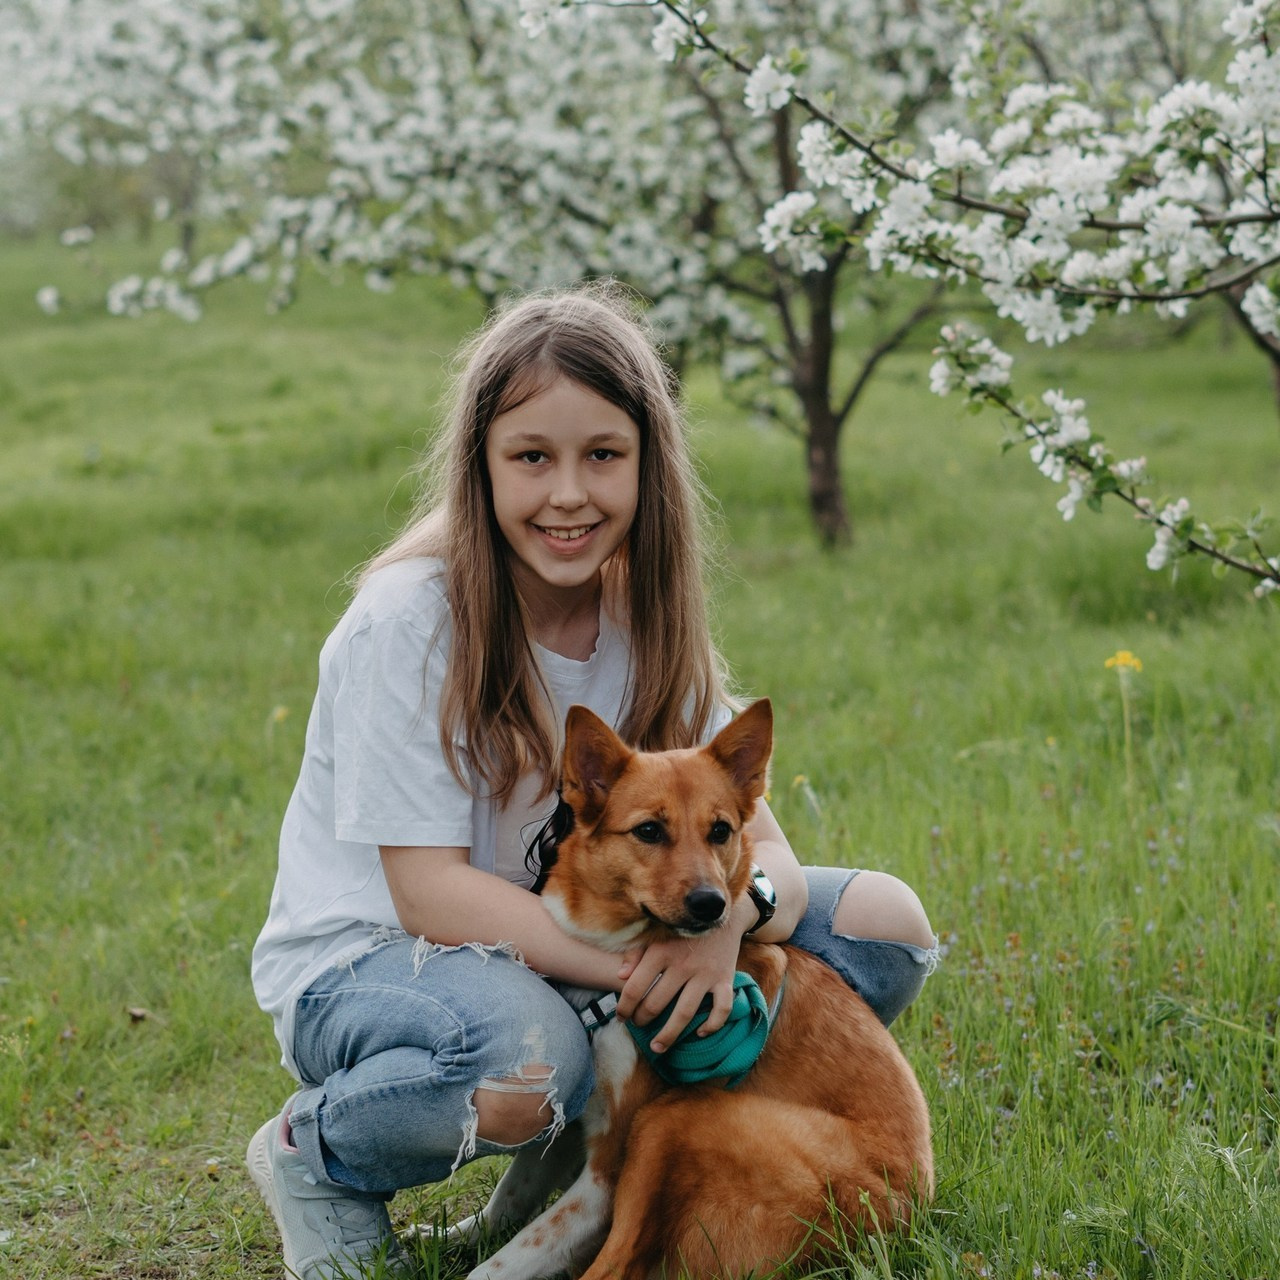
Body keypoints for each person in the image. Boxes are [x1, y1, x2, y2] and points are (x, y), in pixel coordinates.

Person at [247, 284, 939, 1280]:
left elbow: (764, 849)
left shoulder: (644, 617)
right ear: (479, 467)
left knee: (885, 925)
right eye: (531, 456)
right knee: (531, 1061)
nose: (567, 492)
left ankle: (613, 1147)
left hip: (587, 922)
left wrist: (723, 929)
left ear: (645, 467)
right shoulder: (405, 623)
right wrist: (640, 972)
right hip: (383, 959)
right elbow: (425, 891)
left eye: (601, 455)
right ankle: (314, 1156)